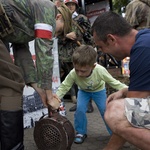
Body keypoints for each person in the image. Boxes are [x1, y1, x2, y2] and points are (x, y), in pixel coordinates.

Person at [0, 0, 72, 149]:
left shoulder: (27, 17)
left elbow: (22, 52)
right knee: (12, 84)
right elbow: (44, 50)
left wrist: (41, 92)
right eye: (58, 31)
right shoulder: (47, 8)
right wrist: (50, 94)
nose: (54, 34)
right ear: (58, 17)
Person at [92, 11, 150, 150]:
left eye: (101, 46)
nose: (103, 52)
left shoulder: (143, 50)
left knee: (116, 112)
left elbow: (134, 113)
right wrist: (126, 91)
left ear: (111, 39)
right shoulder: (145, 38)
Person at [56, 45, 128, 144]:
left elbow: (113, 82)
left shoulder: (100, 70)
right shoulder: (73, 73)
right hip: (83, 92)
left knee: (105, 110)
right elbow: (64, 86)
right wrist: (56, 98)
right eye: (77, 70)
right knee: (80, 109)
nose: (79, 74)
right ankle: (81, 132)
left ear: (93, 66)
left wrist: (128, 90)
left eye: (83, 71)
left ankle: (113, 133)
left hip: (99, 91)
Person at [58, 0, 94, 112]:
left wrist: (76, 35)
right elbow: (56, 36)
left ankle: (89, 104)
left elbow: (89, 33)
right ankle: (80, 103)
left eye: (72, 5)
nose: (71, 7)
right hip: (66, 55)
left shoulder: (81, 18)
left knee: (84, 77)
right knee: (74, 79)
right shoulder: (61, 18)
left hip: (80, 52)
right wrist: (65, 36)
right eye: (68, 5)